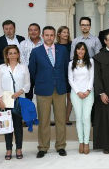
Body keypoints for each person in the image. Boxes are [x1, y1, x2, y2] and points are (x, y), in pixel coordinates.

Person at [28, 26, 69, 158]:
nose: (49, 37)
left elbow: (65, 69)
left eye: (52, 35)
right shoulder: (36, 52)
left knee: (61, 120)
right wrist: (42, 81)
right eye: (47, 35)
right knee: (44, 120)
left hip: (60, 89)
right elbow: (32, 72)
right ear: (42, 35)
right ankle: (43, 147)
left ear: (54, 36)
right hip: (43, 90)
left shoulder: (62, 50)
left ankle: (61, 146)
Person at [0, 45, 30, 160]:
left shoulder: (23, 67)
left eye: (15, 53)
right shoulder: (1, 68)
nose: (13, 55)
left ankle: (19, 148)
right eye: (10, 53)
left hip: (18, 100)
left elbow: (27, 85)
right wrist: (0, 100)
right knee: (6, 126)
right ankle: (8, 149)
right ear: (7, 55)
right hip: (5, 100)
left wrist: (19, 92)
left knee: (18, 126)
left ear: (18, 54)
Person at [68, 42, 94, 154]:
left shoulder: (91, 61)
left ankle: (87, 142)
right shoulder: (71, 64)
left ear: (85, 51)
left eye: (83, 49)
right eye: (78, 49)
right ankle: (81, 142)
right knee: (79, 118)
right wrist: (78, 92)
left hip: (89, 93)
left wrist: (88, 90)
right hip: (75, 94)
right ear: (75, 51)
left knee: (86, 117)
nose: (81, 51)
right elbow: (70, 79)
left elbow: (92, 77)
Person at [20, 23, 43, 100]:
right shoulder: (23, 44)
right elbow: (21, 58)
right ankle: (29, 111)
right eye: (30, 30)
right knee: (28, 95)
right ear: (28, 32)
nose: (33, 32)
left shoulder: (44, 43)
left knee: (42, 95)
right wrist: (28, 69)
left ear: (39, 32)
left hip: (42, 73)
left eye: (35, 30)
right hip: (28, 73)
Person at [56, 26, 72, 125]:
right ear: (59, 34)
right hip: (59, 74)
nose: (66, 34)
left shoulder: (72, 44)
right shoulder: (55, 46)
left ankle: (66, 118)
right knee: (59, 98)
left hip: (71, 73)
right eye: (64, 32)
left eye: (67, 32)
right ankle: (60, 119)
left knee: (70, 97)